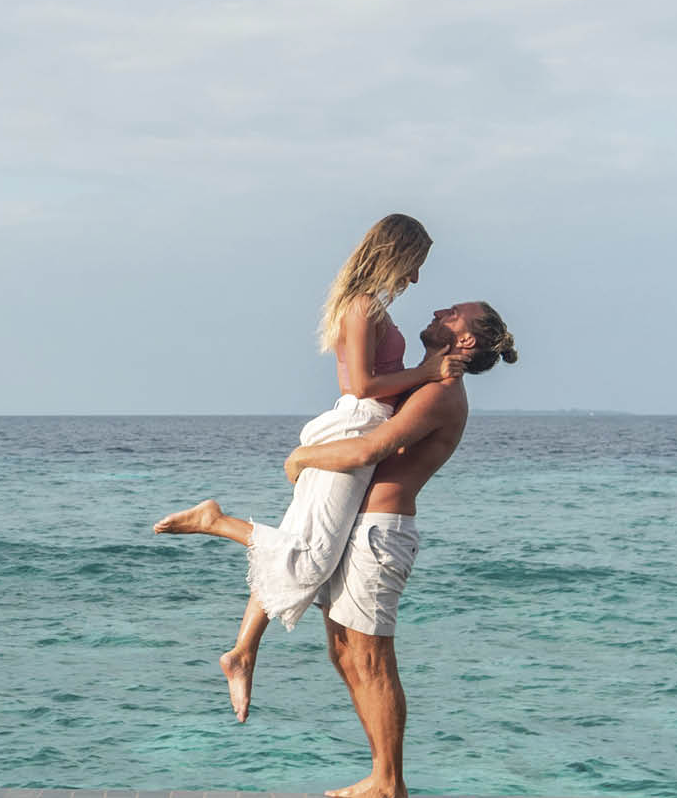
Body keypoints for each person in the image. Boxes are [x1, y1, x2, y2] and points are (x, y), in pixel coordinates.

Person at [158, 299, 518, 798]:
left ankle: (390, 784)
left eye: (454, 312)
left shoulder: (441, 392)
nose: (440, 308)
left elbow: (368, 451)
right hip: (361, 527)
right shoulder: (424, 380)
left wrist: (302, 458)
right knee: (346, 654)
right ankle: (379, 776)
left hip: (380, 533)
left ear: (466, 341)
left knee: (372, 659)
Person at [153, 214, 466, 720]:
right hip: (355, 428)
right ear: (394, 254)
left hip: (366, 426)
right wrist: (427, 372)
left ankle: (242, 653)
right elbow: (362, 386)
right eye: (414, 266)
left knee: (305, 545)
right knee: (312, 553)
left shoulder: (371, 306)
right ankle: (215, 523)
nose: (415, 280)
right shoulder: (362, 307)